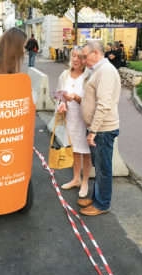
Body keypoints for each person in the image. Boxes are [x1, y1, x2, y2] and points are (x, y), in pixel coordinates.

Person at [78, 40, 121, 216]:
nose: (82, 59)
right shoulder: (98, 70)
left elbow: (104, 104)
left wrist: (93, 130)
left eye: (84, 55)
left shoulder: (106, 71)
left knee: (103, 169)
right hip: (98, 128)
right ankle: (97, 198)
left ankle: (102, 204)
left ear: (96, 53)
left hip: (102, 129)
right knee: (100, 167)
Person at [55, 46, 92, 198]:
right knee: (75, 149)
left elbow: (92, 102)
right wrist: (61, 104)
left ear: (84, 59)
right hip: (70, 118)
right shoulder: (64, 75)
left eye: (79, 56)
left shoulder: (89, 76)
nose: (75, 59)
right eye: (73, 56)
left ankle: (85, 182)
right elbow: (58, 95)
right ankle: (76, 179)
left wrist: (76, 98)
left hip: (84, 120)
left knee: (86, 152)